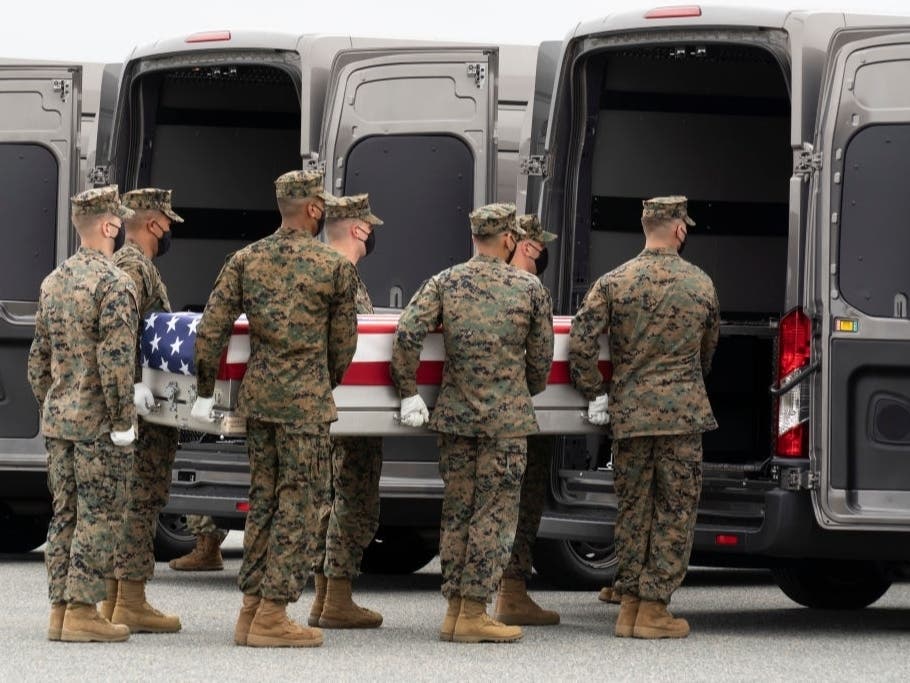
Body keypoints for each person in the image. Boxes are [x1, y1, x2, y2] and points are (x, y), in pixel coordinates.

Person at [192, 170, 358, 648]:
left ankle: (251, 610)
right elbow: (343, 344)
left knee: (264, 501)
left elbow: (211, 331)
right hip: (304, 402)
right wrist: (323, 381)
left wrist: (206, 389)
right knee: (301, 505)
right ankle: (272, 614)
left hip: (260, 399)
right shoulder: (333, 267)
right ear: (313, 209)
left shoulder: (246, 259)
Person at [391, 202, 554, 644]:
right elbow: (541, 360)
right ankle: (475, 611)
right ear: (508, 241)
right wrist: (525, 389)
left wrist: (408, 391)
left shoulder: (446, 281)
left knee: (458, 512)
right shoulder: (528, 288)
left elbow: (408, 332)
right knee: (494, 516)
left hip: (456, 418)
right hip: (505, 423)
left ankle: (454, 610)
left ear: (474, 238)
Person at [568, 196, 719, 639]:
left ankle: (630, 603)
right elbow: (708, 352)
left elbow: (580, 341)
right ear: (680, 230)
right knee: (673, 510)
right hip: (681, 417)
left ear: (643, 226)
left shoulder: (614, 282)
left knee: (633, 510)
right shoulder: (700, 284)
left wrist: (595, 391)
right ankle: (654, 608)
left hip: (630, 415)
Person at [27, 185, 138, 643]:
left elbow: (38, 361)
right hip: (97, 425)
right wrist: (123, 422)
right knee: (100, 514)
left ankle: (60, 610)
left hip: (59, 421)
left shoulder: (53, 281)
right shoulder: (115, 284)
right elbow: (116, 363)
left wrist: (54, 404)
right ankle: (83, 611)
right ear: (110, 226)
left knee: (65, 514)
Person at [100, 188, 183, 634]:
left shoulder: (126, 263)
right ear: (154, 224)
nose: (169, 231)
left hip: (134, 405)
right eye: (167, 223)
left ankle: (117, 599)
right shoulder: (134, 265)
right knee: (140, 500)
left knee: (133, 499)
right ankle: (130, 599)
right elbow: (122, 328)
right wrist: (132, 385)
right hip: (139, 412)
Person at [309, 194, 385, 629]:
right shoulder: (343, 277)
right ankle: (336, 596)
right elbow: (348, 347)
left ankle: (324, 597)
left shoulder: (318, 270)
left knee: (328, 498)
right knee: (352, 499)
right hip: (351, 409)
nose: (370, 234)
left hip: (323, 407)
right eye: (369, 227)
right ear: (358, 230)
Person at [494, 213, 560, 627]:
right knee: (521, 503)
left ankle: (468, 604)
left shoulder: (466, 281)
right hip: (518, 416)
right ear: (528, 246)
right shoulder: (531, 289)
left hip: (469, 417)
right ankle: (511, 594)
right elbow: (541, 362)